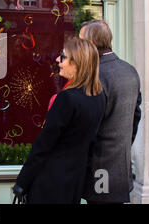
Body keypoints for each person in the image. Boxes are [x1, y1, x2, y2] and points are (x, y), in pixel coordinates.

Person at [13, 37, 105, 204]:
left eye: (63, 57)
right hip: (73, 184)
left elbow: (44, 144)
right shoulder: (98, 97)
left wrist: (22, 182)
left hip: (50, 184)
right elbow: (90, 144)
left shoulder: (67, 98)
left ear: (76, 63)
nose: (57, 60)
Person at [79, 20, 142, 204]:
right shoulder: (130, 71)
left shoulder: (95, 75)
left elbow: (88, 127)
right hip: (120, 169)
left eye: (82, 40)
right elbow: (135, 119)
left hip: (99, 171)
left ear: (91, 42)